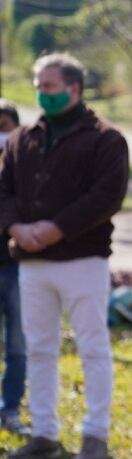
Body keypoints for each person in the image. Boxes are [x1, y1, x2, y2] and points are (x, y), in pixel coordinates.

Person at [0, 53, 129, 459]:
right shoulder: (24, 139)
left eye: (49, 86)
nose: (41, 92)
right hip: (32, 264)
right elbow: (3, 192)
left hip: (81, 260)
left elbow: (106, 196)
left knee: (92, 347)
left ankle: (95, 435)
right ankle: (43, 432)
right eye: (38, 84)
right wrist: (17, 229)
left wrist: (56, 228)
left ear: (73, 89)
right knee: (39, 348)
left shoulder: (105, 139)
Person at [0, 99, 28, 436]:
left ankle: (11, 408)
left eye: (4, 128)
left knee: (18, 345)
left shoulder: (27, 173)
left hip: (18, 268)